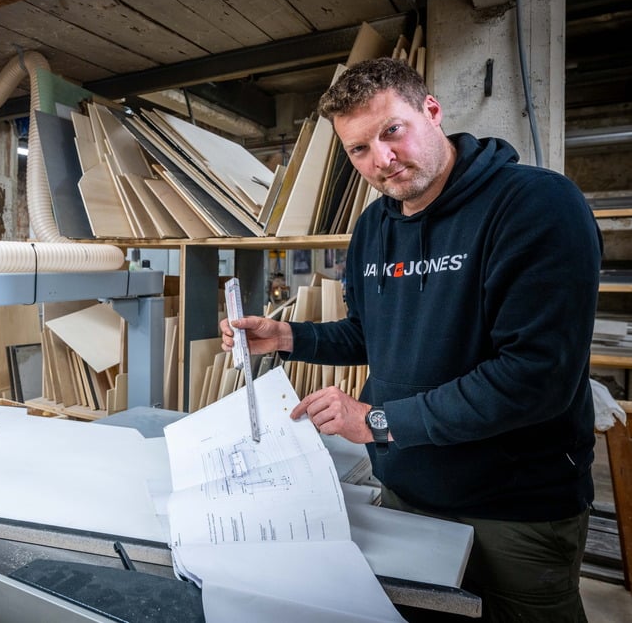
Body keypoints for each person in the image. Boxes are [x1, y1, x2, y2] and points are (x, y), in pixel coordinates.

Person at [220, 57, 602, 622]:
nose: (382, 160)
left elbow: (533, 379)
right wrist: (284, 335)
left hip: (514, 507)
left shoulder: (535, 206)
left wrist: (378, 422)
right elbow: (372, 334)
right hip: (406, 489)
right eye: (358, 149)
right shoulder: (376, 226)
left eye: (391, 131)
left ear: (431, 111)